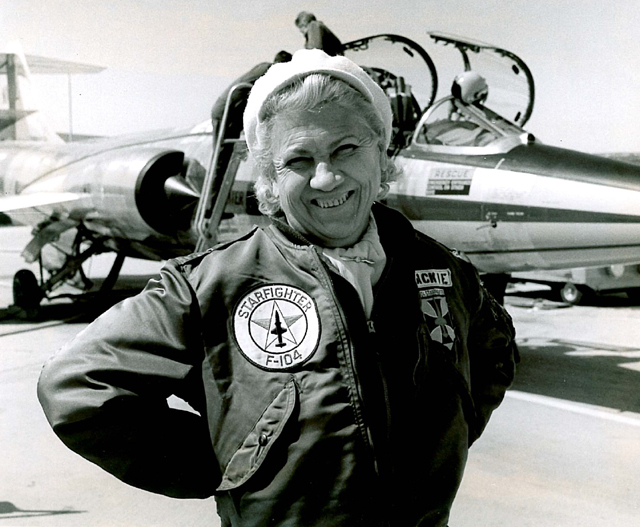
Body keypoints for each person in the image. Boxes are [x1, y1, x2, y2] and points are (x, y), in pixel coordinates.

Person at [38, 49, 518, 527]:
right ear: (270, 178)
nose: (326, 178)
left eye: (346, 149)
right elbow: (76, 385)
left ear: (380, 152)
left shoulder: (444, 271)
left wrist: (447, 437)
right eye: (299, 160)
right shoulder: (212, 283)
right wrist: (227, 462)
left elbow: (495, 354)